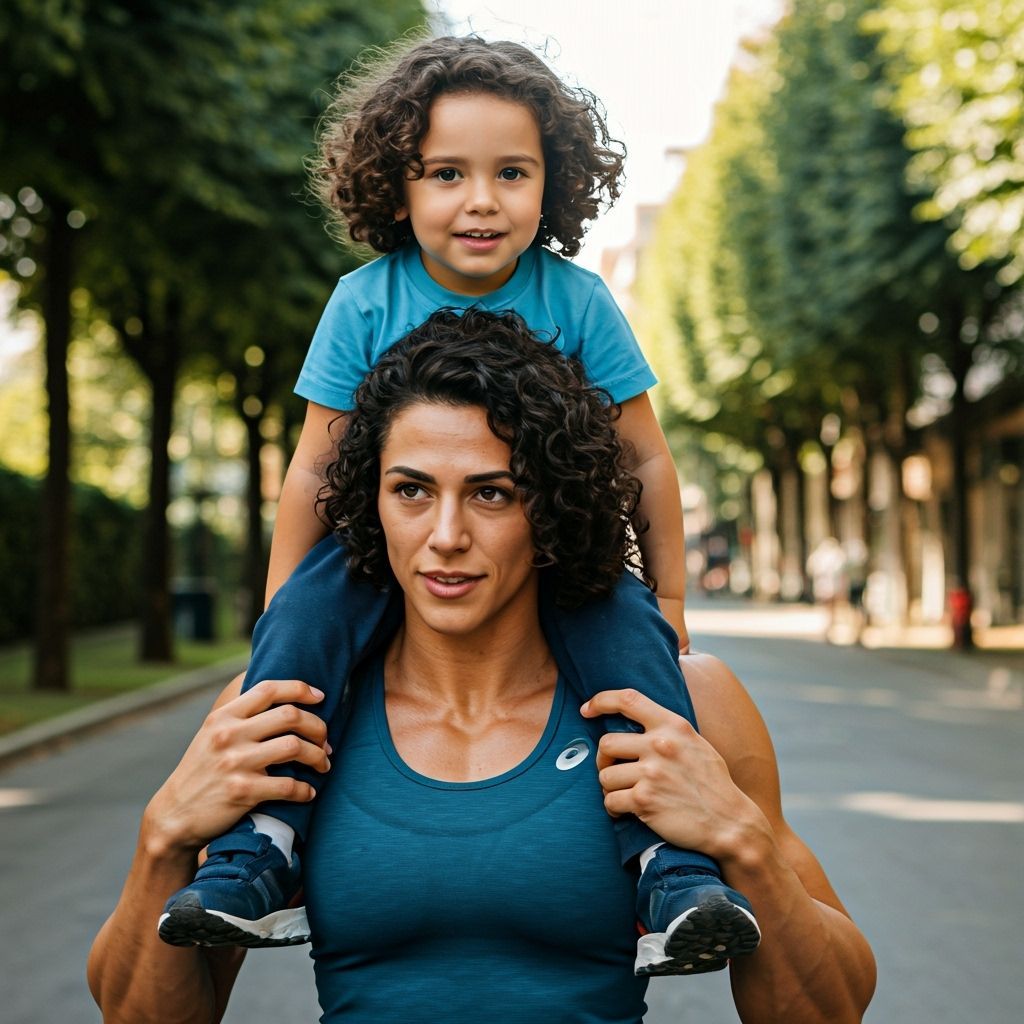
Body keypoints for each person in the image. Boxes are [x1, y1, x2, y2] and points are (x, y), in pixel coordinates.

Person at [156, 35, 762, 975]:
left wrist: (672, 595)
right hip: (371, 552)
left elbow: (645, 459)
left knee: (633, 651)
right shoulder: (363, 301)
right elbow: (315, 472)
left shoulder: (580, 299)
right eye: (447, 173)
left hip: (553, 548)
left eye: (511, 173)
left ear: (549, 189)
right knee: (295, 662)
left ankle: (671, 870)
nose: (481, 199)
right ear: (396, 189)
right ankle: (253, 855)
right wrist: (283, 614)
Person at [88, 312, 875, 1024]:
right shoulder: (283, 709)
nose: (445, 535)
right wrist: (161, 841)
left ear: (552, 508)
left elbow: (831, 1012)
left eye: (492, 493)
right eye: (411, 492)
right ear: (372, 503)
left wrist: (743, 840)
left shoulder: (683, 702)